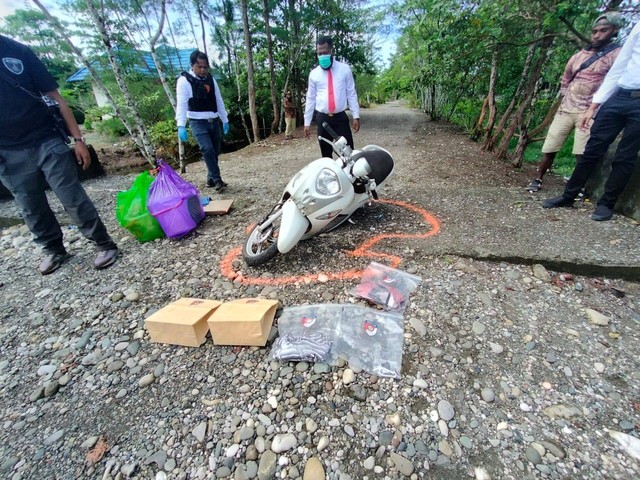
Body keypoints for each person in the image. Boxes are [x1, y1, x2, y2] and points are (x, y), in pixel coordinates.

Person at [0, 34, 119, 275]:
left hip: (46, 139)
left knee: (71, 195)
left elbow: (56, 98)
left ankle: (103, 243)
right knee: (29, 205)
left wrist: (78, 140)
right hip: (7, 151)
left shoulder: (19, 50)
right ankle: (53, 249)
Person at [543, 17, 640, 221]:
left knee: (625, 155)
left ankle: (606, 204)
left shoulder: (615, 47)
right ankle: (569, 196)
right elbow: (619, 68)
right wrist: (595, 105)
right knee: (592, 150)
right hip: (619, 94)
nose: (596, 34)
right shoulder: (638, 27)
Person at [526, 13, 622, 192]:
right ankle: (538, 179)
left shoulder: (616, 55)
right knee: (550, 146)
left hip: (590, 111)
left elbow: (615, 82)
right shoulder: (580, 55)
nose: (597, 35)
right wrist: (565, 95)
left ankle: (578, 186)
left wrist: (599, 106)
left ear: (614, 31)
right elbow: (566, 76)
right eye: (594, 31)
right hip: (567, 108)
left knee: (582, 152)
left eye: (603, 31)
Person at [176, 50, 230, 191]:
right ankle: (218, 180)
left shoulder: (211, 80)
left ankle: (210, 179)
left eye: (205, 67)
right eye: (199, 67)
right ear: (192, 65)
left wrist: (225, 119)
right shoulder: (184, 81)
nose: (203, 70)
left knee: (215, 151)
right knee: (207, 149)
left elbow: (218, 100)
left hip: (213, 120)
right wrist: (181, 125)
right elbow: (181, 104)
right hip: (197, 122)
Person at [304, 36, 360, 158]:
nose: (322, 55)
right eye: (319, 53)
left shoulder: (344, 69)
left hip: (340, 118)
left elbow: (351, 93)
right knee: (326, 156)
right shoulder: (314, 74)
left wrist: (356, 116)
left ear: (331, 51)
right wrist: (307, 122)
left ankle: (351, 177)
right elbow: (310, 98)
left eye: (325, 52)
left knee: (348, 154)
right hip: (322, 119)